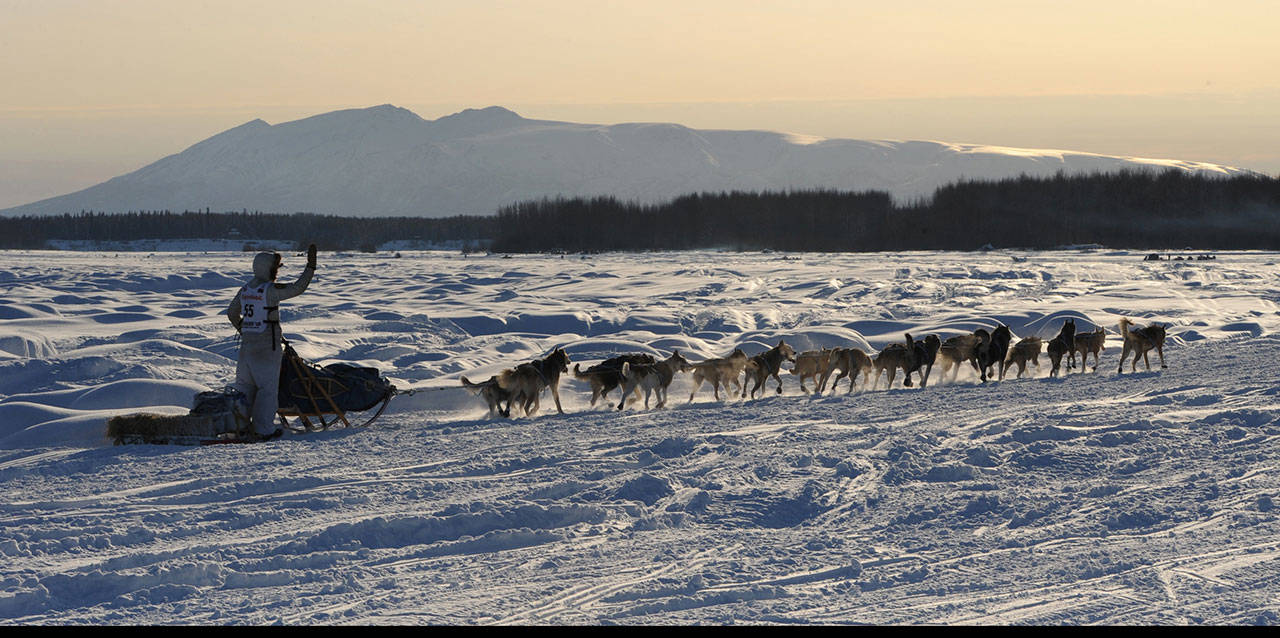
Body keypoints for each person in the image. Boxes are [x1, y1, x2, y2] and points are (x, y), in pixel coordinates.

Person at [227, 244, 317, 440]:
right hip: (267, 347)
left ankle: (239, 426)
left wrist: (244, 329)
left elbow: (231, 312)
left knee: (244, 388)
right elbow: (297, 288)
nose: (276, 272)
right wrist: (310, 267)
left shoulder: (245, 289)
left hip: (246, 348)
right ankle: (264, 429)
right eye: (275, 268)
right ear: (268, 269)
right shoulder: (269, 290)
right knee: (267, 390)